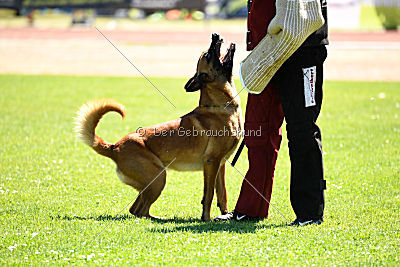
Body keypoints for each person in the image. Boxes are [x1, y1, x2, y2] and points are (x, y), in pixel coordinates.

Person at [215, 0, 328, 226]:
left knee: (302, 129)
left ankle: (309, 213)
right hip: (265, 49)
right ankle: (251, 209)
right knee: (258, 130)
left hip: (303, 48)